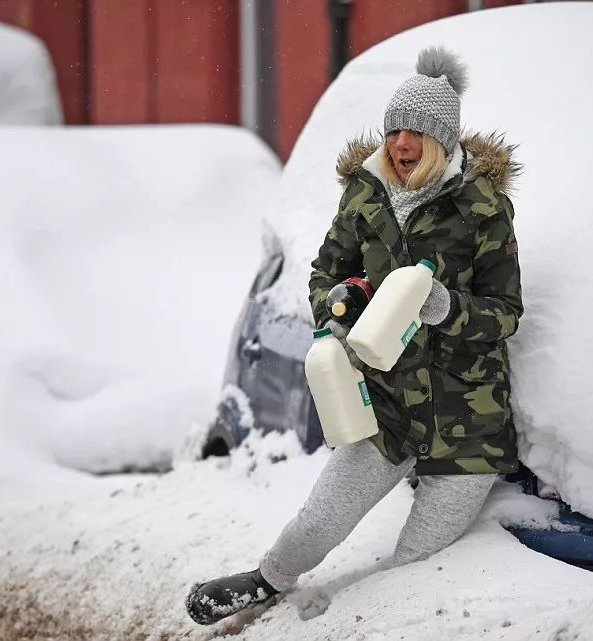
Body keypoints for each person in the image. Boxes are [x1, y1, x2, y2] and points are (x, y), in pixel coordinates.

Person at [185, 46, 523, 626]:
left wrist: (447, 309)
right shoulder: (365, 197)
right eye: (393, 130)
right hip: (385, 407)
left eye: (416, 131)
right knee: (322, 517)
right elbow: (324, 273)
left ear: (441, 139)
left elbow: (506, 312)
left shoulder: (482, 208)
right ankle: (267, 581)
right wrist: (336, 306)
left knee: (418, 566)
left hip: (467, 421)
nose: (400, 143)